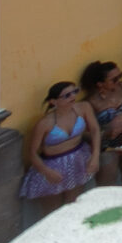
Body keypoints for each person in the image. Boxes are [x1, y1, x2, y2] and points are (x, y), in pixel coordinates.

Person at [21, 80, 99, 210]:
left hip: (78, 159)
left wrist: (95, 155)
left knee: (74, 205)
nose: (73, 97)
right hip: (52, 166)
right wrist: (46, 172)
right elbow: (33, 153)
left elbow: (95, 130)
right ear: (53, 102)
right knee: (52, 211)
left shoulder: (83, 108)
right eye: (66, 95)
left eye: (74, 92)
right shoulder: (45, 123)